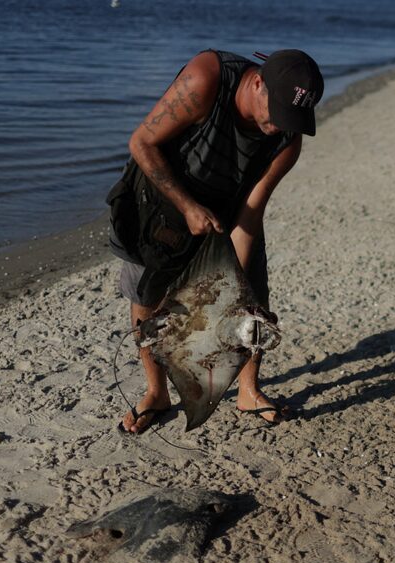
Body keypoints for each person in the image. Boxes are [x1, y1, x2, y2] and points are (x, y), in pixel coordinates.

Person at [107, 49, 323, 433]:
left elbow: (250, 215)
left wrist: (235, 292)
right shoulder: (207, 79)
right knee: (147, 296)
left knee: (252, 301)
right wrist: (187, 206)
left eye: (290, 119)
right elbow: (141, 143)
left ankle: (248, 391)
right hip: (160, 195)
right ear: (258, 83)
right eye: (275, 113)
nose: (278, 126)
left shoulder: (287, 138)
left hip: (228, 210)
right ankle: (156, 392)